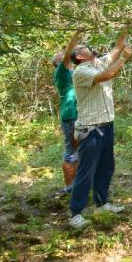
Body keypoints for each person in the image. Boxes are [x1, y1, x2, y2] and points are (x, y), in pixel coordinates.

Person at [67, 28, 132, 230]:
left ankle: (102, 203)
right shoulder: (81, 71)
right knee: (86, 171)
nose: (88, 46)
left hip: (107, 124)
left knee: (106, 167)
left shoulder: (96, 62)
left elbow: (116, 47)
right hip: (90, 129)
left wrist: (125, 28)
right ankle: (75, 214)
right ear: (80, 56)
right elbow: (108, 74)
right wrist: (123, 59)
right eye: (84, 47)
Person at [51, 29, 83, 196]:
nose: (65, 56)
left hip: (79, 115)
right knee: (71, 151)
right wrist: (75, 36)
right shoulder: (61, 72)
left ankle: (78, 183)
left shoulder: (74, 72)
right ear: (59, 63)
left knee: (79, 151)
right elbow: (69, 53)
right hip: (70, 115)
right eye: (62, 56)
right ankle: (69, 186)